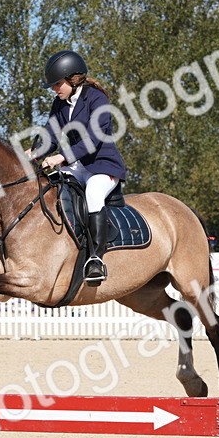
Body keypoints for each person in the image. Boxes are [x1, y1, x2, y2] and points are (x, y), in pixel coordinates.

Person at [32, 50, 127, 285]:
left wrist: (60, 157)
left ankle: (96, 259)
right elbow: (50, 135)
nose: (54, 89)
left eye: (57, 84)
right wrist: (32, 153)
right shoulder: (60, 103)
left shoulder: (97, 99)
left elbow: (94, 138)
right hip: (78, 166)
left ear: (73, 79)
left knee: (93, 194)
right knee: (48, 186)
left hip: (103, 166)